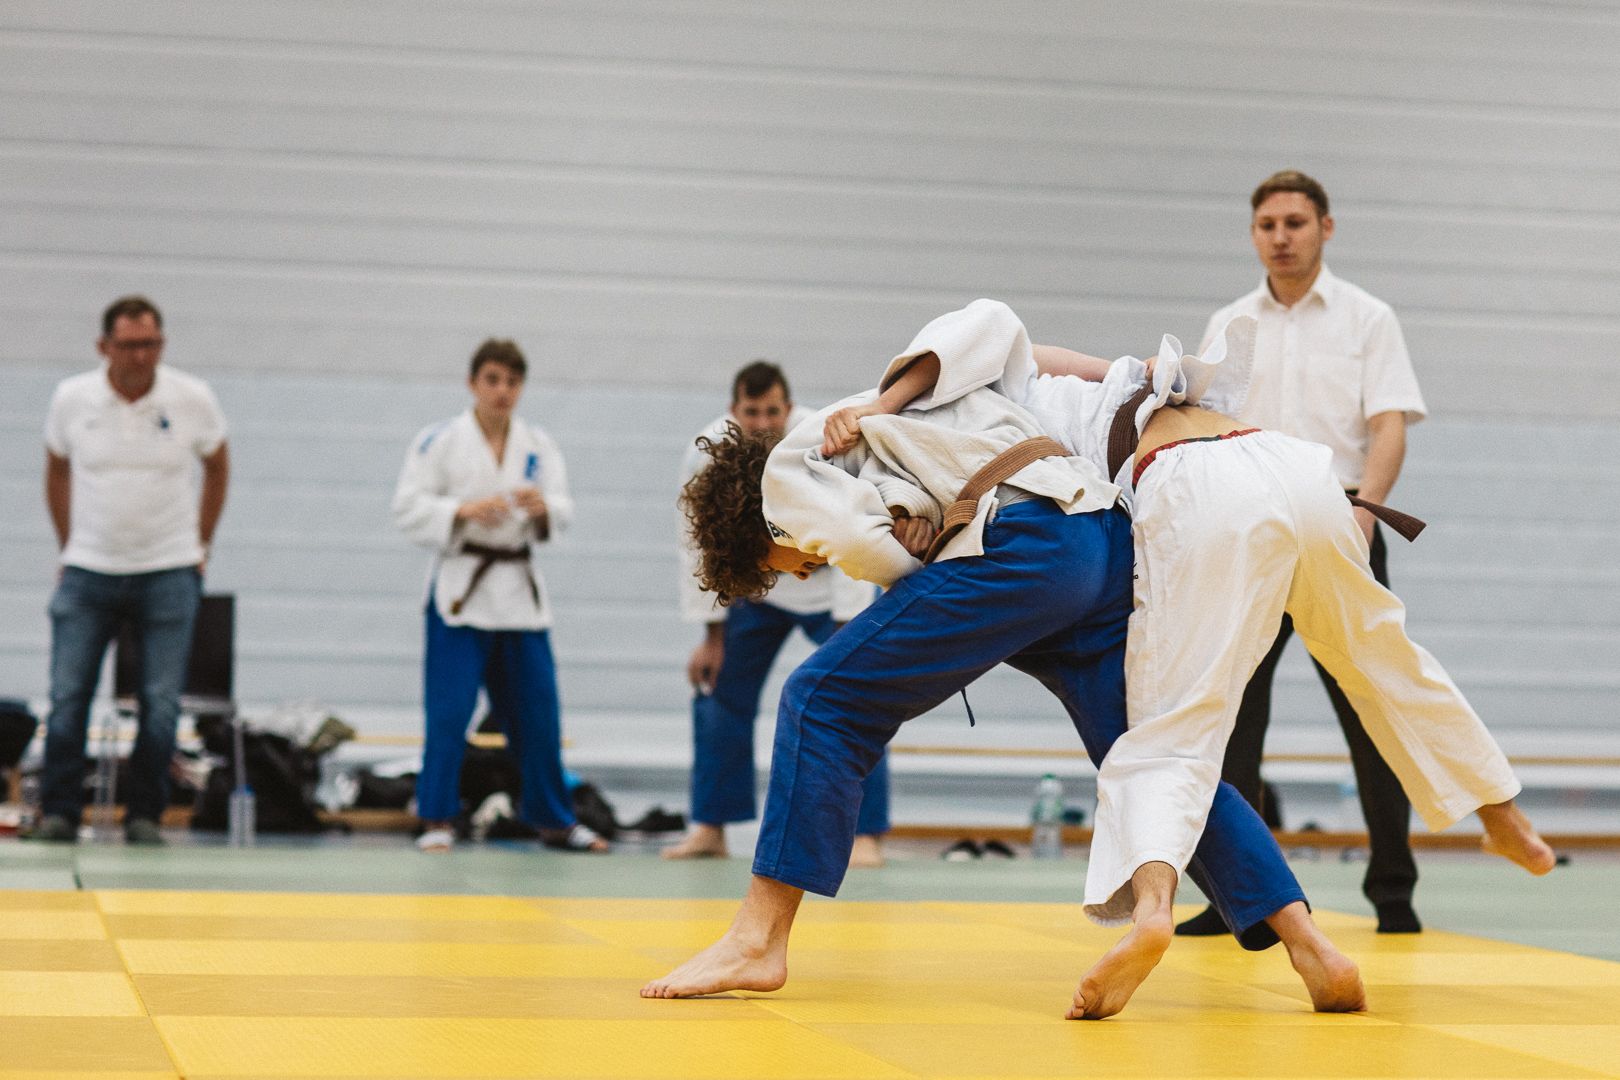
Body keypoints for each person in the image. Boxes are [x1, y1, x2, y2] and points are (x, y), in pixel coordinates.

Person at [838, 298, 1552, 1017]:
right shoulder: (1048, 379)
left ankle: (1152, 911)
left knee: (1169, 730)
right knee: (1384, 655)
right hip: (1293, 467)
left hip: (1196, 491)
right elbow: (1022, 343)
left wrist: (877, 404)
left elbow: (977, 334)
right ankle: (1501, 814)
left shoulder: (941, 414)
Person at [644, 327, 1367, 1019]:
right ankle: (1308, 943)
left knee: (820, 698)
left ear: (750, 524)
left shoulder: (794, 465)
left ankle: (757, 939)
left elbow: (863, 547)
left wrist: (908, 558)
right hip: (1099, 535)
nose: (800, 571)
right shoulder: (936, 405)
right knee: (1155, 753)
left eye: (776, 565)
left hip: (1025, 548)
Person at [1180, 169, 1430, 936]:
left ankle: (1393, 891)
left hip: (1340, 520)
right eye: (1268, 225)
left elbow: (1389, 424)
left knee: (1370, 706)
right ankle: (1239, 899)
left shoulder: (1367, 318)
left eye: (1295, 222)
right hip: (1250, 528)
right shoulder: (1230, 322)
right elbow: (1203, 427)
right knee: (1232, 714)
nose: (1281, 237)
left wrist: (1365, 514)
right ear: (1253, 234)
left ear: (1326, 227)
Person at [25, 295, 229, 846]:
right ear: (104, 347)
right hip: (88, 570)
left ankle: (144, 815)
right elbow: (56, 469)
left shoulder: (192, 398)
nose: (141, 356)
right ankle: (60, 812)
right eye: (130, 345)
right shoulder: (72, 398)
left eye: (151, 344)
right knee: (68, 697)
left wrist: (201, 543)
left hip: (168, 569)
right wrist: (68, 544)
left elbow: (217, 466)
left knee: (160, 705)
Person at [667, 361, 886, 866]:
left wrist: (848, 626)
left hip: (833, 583)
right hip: (758, 592)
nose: (763, 423)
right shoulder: (708, 452)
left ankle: (865, 833)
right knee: (719, 693)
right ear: (733, 410)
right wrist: (712, 636)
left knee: (863, 693)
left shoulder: (822, 441)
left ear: (788, 409)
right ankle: (710, 826)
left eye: (772, 412)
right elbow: (696, 544)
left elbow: (855, 525)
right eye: (752, 412)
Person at [391, 338, 605, 854]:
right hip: (461, 593)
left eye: (512, 381)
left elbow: (564, 507)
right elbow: (407, 507)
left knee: (539, 715)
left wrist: (543, 508)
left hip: (519, 596)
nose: (502, 391)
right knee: (448, 714)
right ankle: (436, 817)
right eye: (492, 380)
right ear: (473, 383)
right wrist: (460, 512)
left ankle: (554, 820)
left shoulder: (538, 444)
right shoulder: (439, 441)